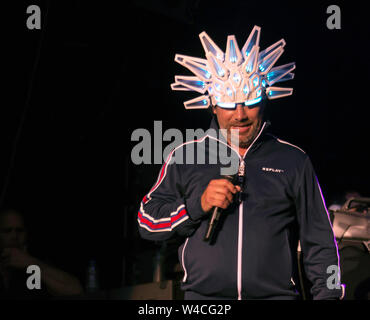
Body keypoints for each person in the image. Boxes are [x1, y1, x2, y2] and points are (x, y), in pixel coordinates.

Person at [137, 26, 345, 300]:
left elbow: (320, 242)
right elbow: (147, 222)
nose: (240, 115)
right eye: (228, 103)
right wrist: (196, 205)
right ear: (211, 104)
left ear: (265, 99)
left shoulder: (294, 160)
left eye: (250, 101)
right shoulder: (185, 155)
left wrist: (329, 296)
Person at [0, 208, 84, 299]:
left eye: (19, 230)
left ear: (26, 234)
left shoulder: (35, 265)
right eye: (7, 231)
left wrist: (30, 263)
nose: (14, 236)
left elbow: (76, 290)